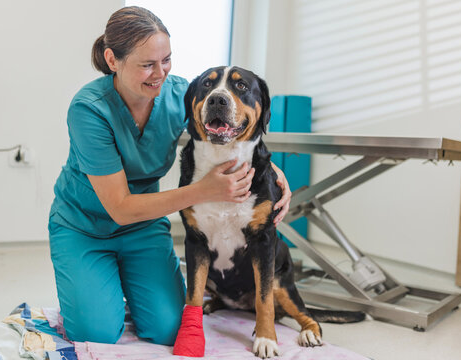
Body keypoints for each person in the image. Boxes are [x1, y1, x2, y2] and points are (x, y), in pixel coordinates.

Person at [48, 6, 292, 346]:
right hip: (84, 227)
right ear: (112, 59)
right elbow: (119, 207)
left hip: (143, 228)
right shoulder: (89, 109)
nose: (159, 73)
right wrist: (205, 190)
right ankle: (98, 285)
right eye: (147, 64)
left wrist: (271, 171)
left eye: (166, 60)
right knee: (96, 333)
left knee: (166, 329)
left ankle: (125, 284)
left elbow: (234, 130)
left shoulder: (180, 94)